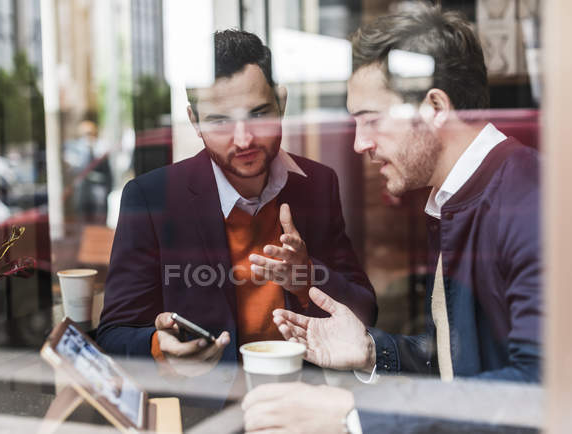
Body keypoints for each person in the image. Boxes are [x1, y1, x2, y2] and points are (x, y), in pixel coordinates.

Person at [243, 3, 541, 432]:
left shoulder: (530, 205)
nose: (359, 143)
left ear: (435, 107)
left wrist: (355, 419)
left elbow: (540, 392)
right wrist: (369, 349)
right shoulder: (459, 197)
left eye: (372, 120)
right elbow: (455, 365)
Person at [96, 29, 377, 377]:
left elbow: (365, 310)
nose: (244, 139)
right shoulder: (152, 199)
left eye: (258, 115)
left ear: (282, 103)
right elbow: (113, 334)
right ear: (195, 121)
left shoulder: (317, 184)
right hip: (206, 409)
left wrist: (307, 276)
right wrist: (158, 346)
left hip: (303, 398)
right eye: (220, 121)